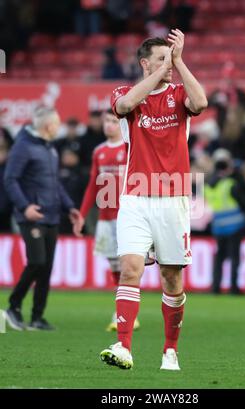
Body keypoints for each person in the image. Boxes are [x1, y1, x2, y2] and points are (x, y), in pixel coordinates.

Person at [99, 30, 208, 370]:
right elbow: (124, 106)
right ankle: (124, 345)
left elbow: (201, 103)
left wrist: (179, 62)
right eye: (161, 59)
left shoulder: (179, 94)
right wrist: (161, 72)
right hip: (134, 198)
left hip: (172, 198)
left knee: (172, 278)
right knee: (130, 270)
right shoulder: (126, 93)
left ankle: (170, 350)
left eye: (171, 58)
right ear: (144, 64)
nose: (168, 65)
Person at [3, 107, 80, 331]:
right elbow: (10, 179)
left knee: (46, 267)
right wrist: (24, 207)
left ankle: (37, 317)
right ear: (48, 126)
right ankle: (13, 306)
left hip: (52, 215)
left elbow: (54, 183)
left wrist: (70, 208)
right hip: (32, 216)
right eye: (57, 123)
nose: (59, 127)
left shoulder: (49, 148)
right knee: (36, 261)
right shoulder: (23, 147)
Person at [73, 109, 150, 331]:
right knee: (115, 265)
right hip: (105, 218)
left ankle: (127, 313)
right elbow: (92, 186)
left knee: (129, 265)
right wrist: (82, 214)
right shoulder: (99, 151)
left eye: (114, 121)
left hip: (128, 215)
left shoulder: (129, 147)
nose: (109, 125)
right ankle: (123, 311)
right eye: (106, 121)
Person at [205, 149, 245, 295]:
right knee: (234, 257)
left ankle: (216, 287)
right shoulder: (230, 183)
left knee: (219, 257)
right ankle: (233, 287)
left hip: (218, 225)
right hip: (235, 224)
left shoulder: (208, 185)